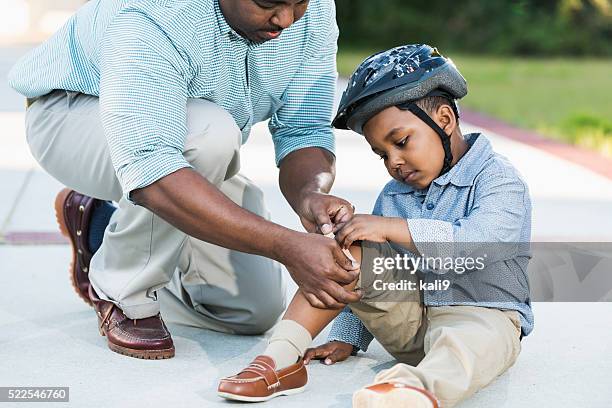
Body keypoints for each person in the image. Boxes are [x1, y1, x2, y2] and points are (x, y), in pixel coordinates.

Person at [7, 0, 362, 360]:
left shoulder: (314, 10)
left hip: (189, 143)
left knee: (252, 310)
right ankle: (123, 291)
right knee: (210, 135)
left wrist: (309, 195)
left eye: (297, 3)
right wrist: (285, 246)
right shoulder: (156, 11)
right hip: (75, 114)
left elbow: (303, 128)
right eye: (267, 3)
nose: (286, 19)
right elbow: (153, 168)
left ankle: (99, 231)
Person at [217, 44, 533, 408]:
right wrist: (348, 337)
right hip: (411, 324)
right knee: (351, 250)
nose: (394, 162)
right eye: (382, 154)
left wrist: (390, 227)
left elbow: (480, 245)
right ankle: (279, 359)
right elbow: (367, 279)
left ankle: (412, 390)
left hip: (481, 316)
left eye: (401, 142)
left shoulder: (498, 180)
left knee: (466, 346)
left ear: (444, 119)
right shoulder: (395, 195)